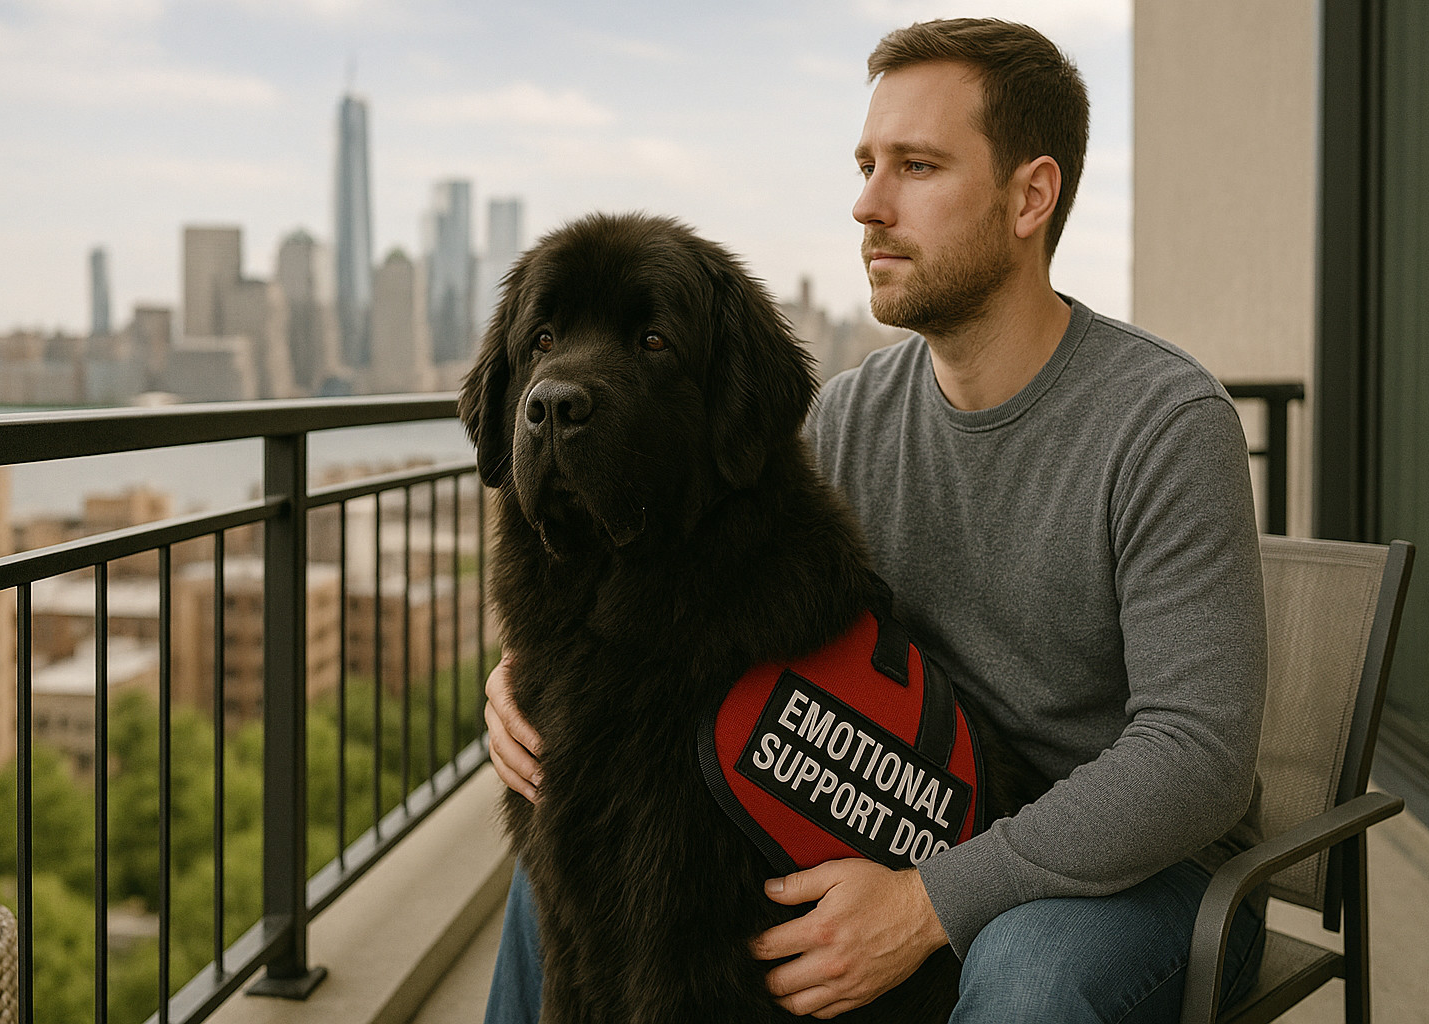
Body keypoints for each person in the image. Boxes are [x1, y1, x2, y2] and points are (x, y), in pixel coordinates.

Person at [483, 17, 1269, 1024]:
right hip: (904, 797)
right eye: (866, 164)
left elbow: (1197, 758)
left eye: (917, 166)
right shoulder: (855, 412)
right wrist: (527, 684)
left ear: (1031, 195)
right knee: (565, 852)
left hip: (1142, 873)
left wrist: (929, 901)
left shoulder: (1164, 424)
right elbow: (697, 605)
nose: (867, 204)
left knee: (1025, 970)